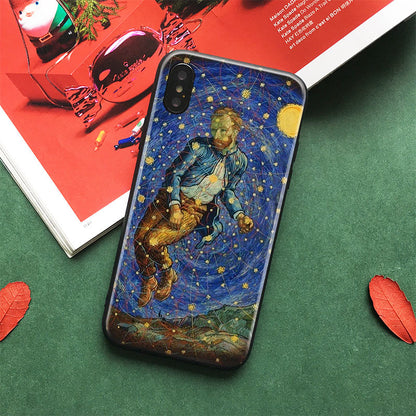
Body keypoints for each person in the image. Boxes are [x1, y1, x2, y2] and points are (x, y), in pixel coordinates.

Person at [134, 107, 254, 307]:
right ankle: (148, 279)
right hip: (169, 197)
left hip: (195, 209)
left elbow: (228, 191)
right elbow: (174, 173)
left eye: (223, 130)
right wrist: (174, 205)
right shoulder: (199, 146)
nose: (217, 135)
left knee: (153, 242)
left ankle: (167, 272)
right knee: (139, 238)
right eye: (214, 129)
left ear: (235, 130)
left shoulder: (240, 161)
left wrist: (240, 215)